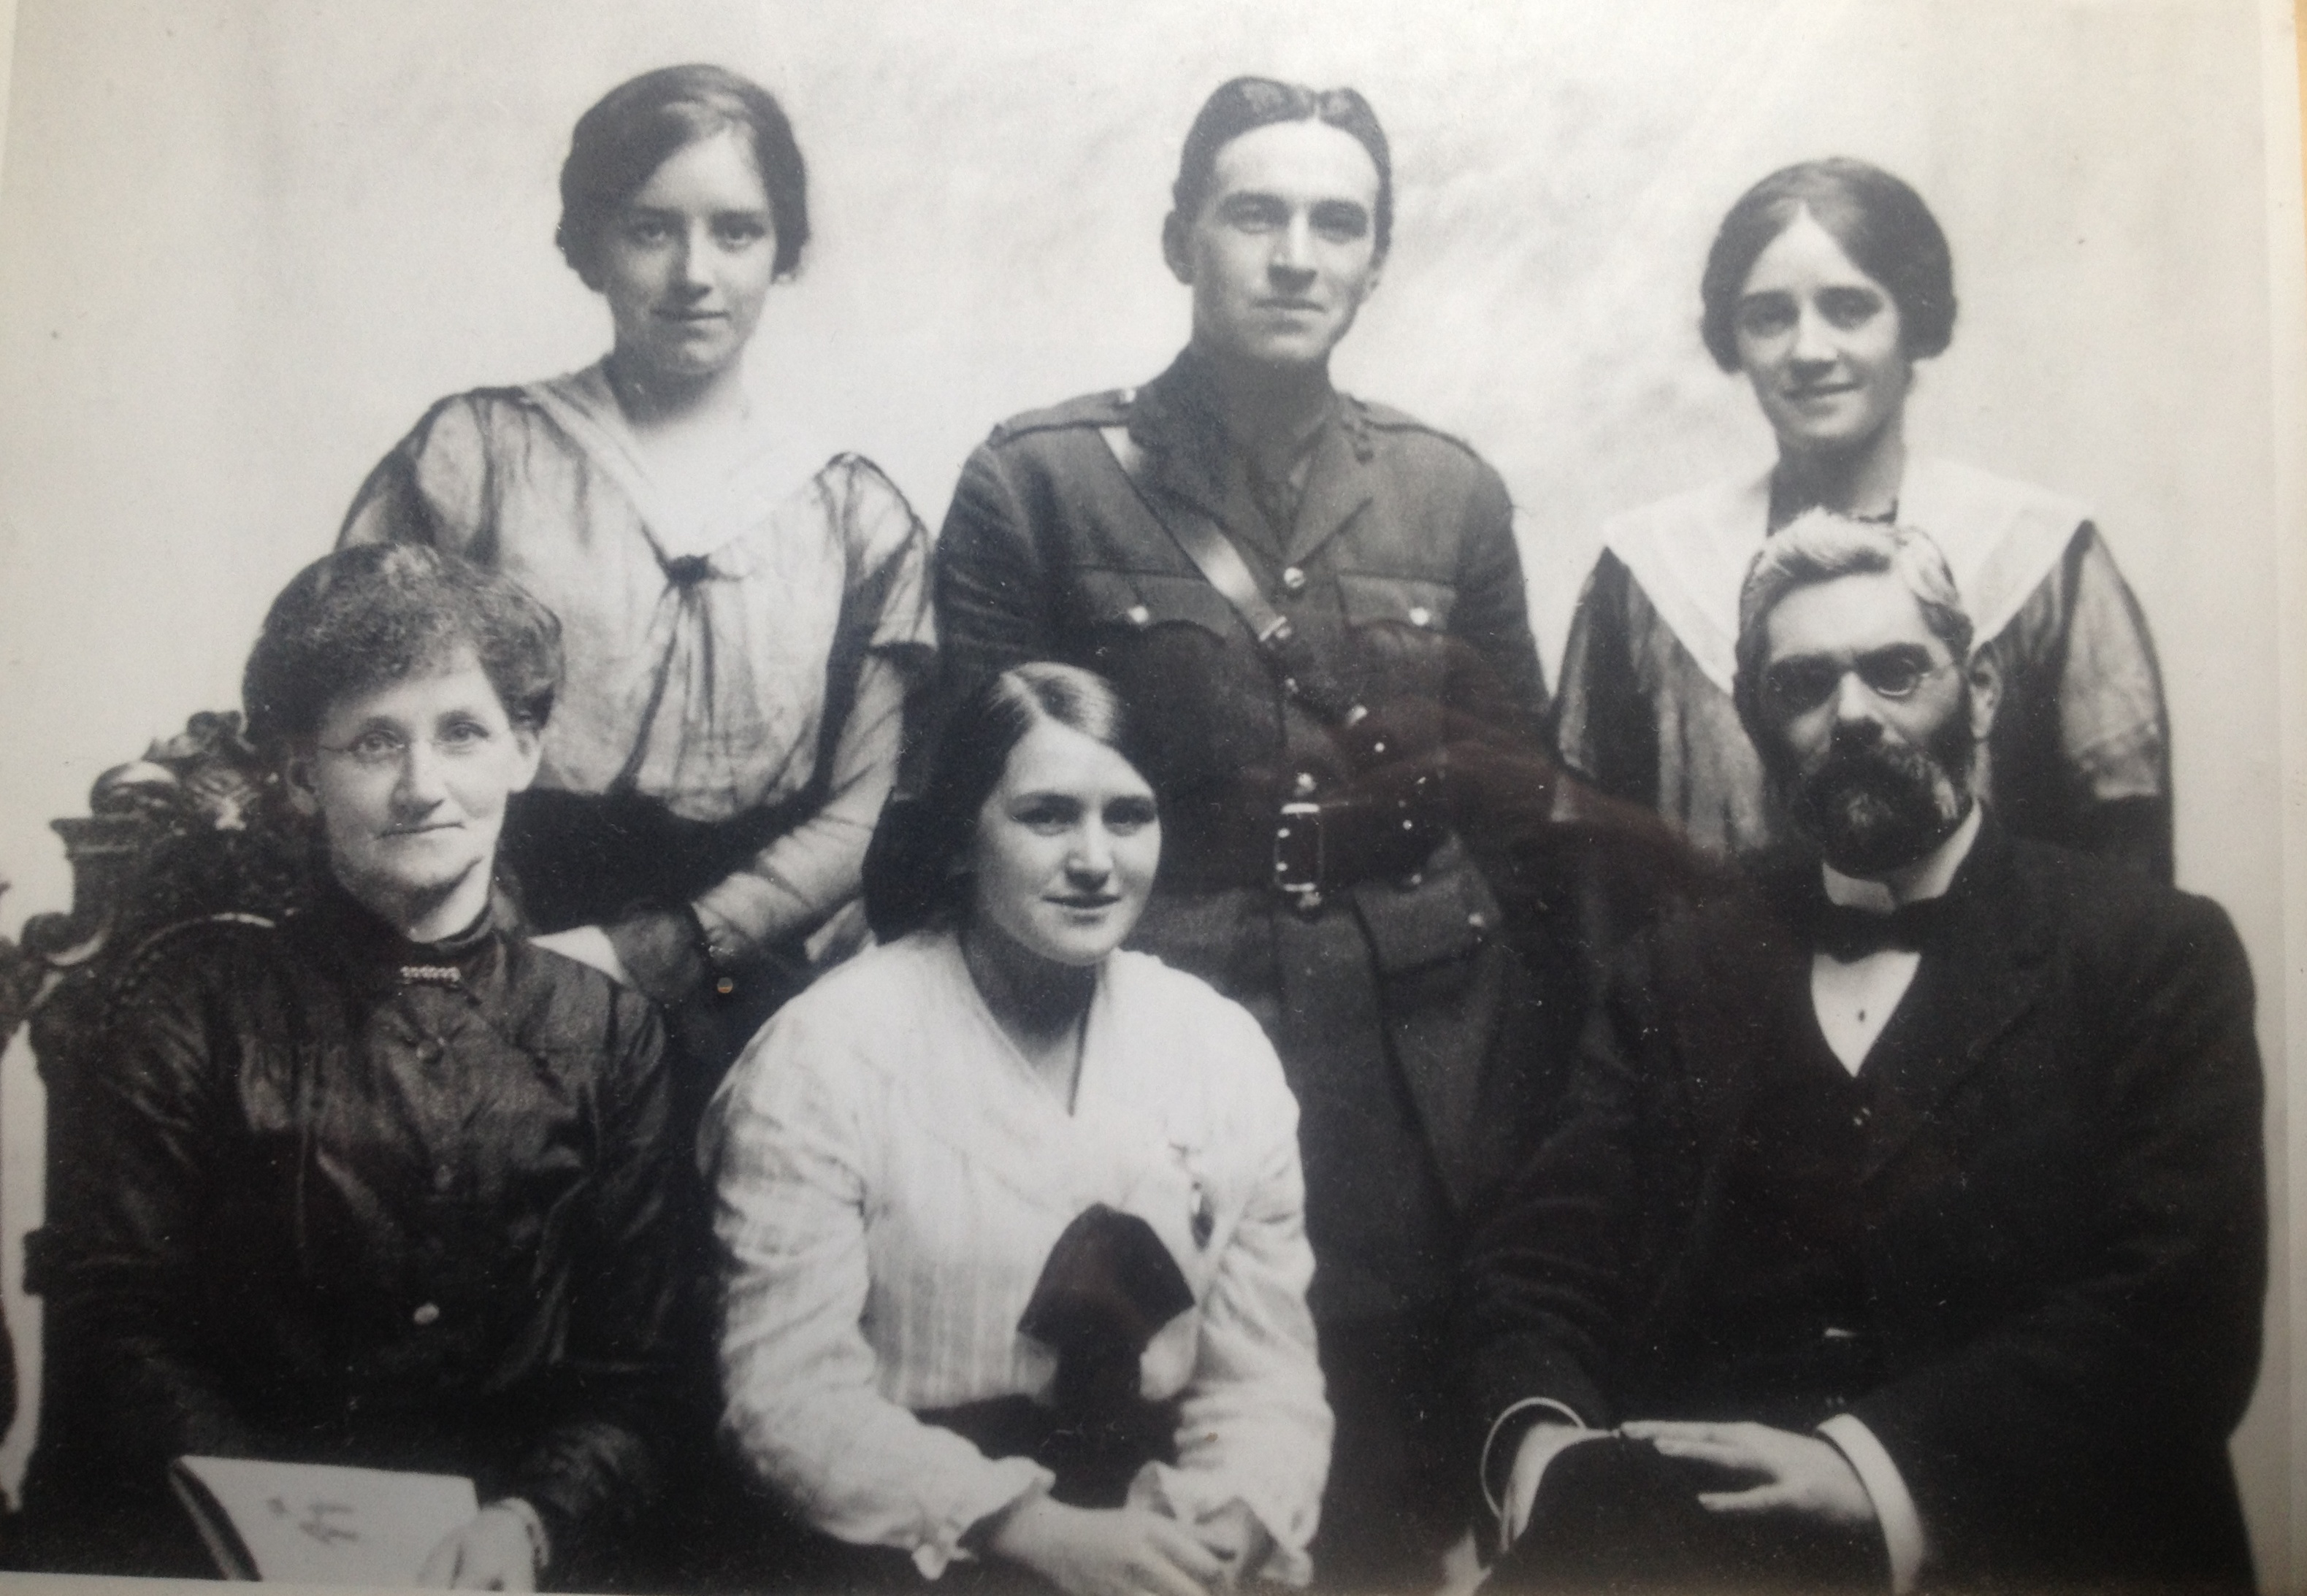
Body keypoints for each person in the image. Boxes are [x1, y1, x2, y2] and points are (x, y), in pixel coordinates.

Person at [934, 77, 1553, 1588]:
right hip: (1138, 1032)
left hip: (1409, 1074)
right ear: (1179, 240)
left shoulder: (1446, 490)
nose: (1293, 253)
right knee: (1136, 1457)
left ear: (1374, 259)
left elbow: (1517, 803)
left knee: (1385, 1497)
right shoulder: (1039, 481)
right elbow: (965, 815)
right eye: (1253, 213)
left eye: (1335, 222)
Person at [1461, 513, 2263, 1592]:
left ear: (1976, 691)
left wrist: (1874, 1471)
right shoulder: (1672, 966)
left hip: (2036, 1542)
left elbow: (2178, 1315)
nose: (1849, 716)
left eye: (1892, 673)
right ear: (1754, 719)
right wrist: (1541, 1445)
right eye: (1801, 686)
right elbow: (1541, 1265)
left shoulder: (2154, 951)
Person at [26, 544, 687, 1589]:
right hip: (223, 1543)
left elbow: (636, 1372)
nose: (423, 786)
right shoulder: (190, 1006)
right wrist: (282, 1532)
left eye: (462, 733)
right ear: (300, 774)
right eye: (375, 741)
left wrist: (529, 1521)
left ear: (523, 750)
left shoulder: (610, 1033)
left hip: (497, 1557)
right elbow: (117, 1326)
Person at [340, 64, 935, 1096]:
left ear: (781, 250)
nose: (693, 272)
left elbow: (870, 802)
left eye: (737, 232)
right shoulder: (476, 455)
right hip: (483, 954)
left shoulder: (852, 512)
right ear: (590, 246)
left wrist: (677, 944)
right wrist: (501, 948)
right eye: (651, 229)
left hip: (752, 985)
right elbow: (367, 718)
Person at [704, 662, 1331, 1592]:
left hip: (1157, 1538)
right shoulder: (825, 1057)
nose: (1095, 859)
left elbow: (1263, 1378)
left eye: (1128, 815)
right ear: (962, 836)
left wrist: (1231, 1518)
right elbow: (784, 1399)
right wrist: (1032, 1530)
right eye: (1047, 816)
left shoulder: (1219, 1049)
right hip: (900, 1550)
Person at [1554, 157, 2172, 879]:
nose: (1810, 351)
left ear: (1915, 318)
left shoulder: (2040, 556)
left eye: (1850, 307)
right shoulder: (1648, 567)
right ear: (1734, 340)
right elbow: (1587, 866)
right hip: (1719, 988)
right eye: (1769, 316)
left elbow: (2127, 857)